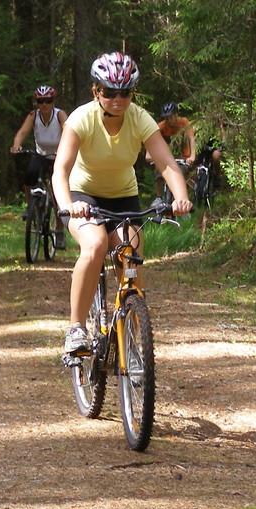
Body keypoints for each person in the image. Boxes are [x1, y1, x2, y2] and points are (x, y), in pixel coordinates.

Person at [52, 52, 192, 357]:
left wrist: (180, 196)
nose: (118, 99)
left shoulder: (139, 118)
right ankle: (76, 328)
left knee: (131, 249)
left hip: (123, 197)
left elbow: (166, 163)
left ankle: (133, 330)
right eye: (109, 92)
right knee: (95, 245)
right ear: (96, 91)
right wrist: (68, 205)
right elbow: (60, 169)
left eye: (125, 93)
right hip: (82, 197)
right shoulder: (81, 119)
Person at [11, 85, 68, 249]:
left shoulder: (59, 115)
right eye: (40, 101)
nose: (44, 105)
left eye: (48, 101)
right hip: (41, 155)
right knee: (29, 176)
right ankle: (31, 208)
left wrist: (67, 149)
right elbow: (22, 132)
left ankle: (59, 231)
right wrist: (16, 146)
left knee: (58, 193)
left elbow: (69, 130)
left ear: (53, 102)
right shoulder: (33, 115)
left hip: (59, 155)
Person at [148, 102, 196, 199]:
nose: (168, 120)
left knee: (180, 173)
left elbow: (191, 139)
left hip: (183, 157)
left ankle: (182, 199)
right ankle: (159, 197)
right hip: (168, 157)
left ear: (176, 115)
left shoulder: (184, 122)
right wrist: (149, 155)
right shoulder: (161, 126)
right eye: (166, 118)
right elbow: (152, 141)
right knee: (159, 171)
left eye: (170, 117)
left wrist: (192, 156)